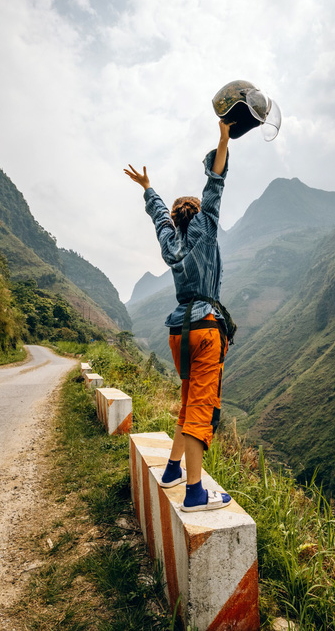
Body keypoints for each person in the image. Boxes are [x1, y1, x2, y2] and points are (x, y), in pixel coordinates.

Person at [124, 120, 233, 512]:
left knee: (188, 403)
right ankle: (194, 492)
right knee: (201, 408)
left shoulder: (171, 243)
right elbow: (215, 182)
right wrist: (223, 139)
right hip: (205, 328)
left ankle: (172, 469)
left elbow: (159, 219)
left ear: (176, 219)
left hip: (178, 332)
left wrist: (148, 189)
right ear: (199, 214)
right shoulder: (206, 229)